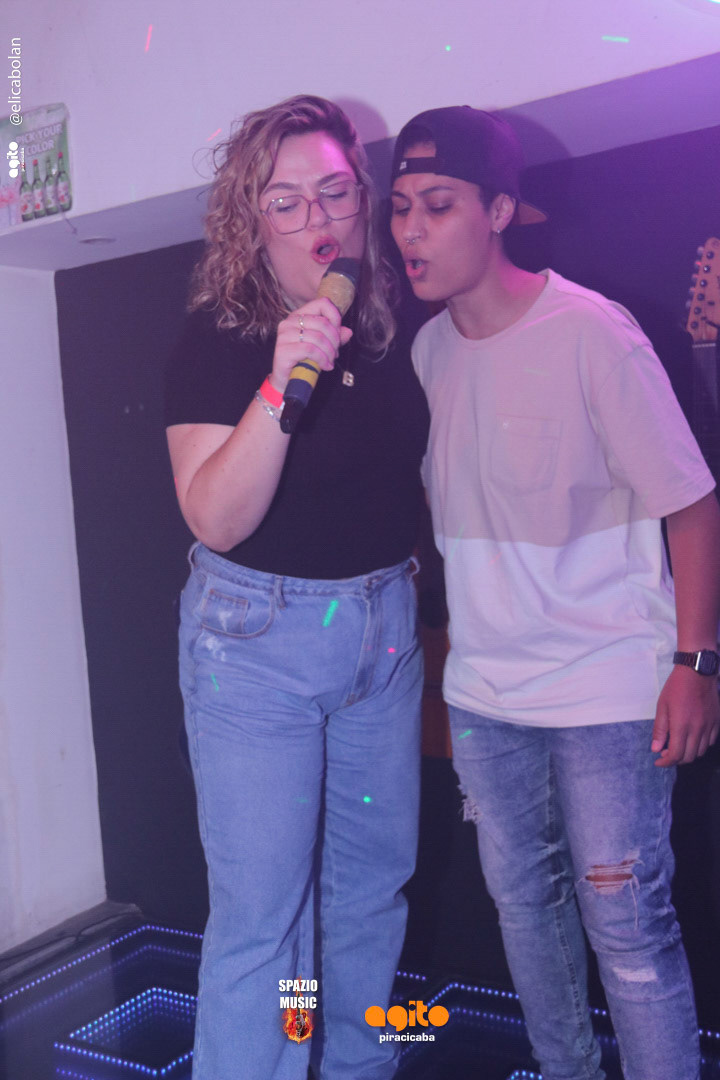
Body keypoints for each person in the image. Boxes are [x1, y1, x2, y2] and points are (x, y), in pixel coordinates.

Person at [389, 105, 720, 1080]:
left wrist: (695, 663)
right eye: (400, 207)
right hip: (487, 698)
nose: (410, 230)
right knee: (526, 918)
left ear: (499, 210)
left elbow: (693, 504)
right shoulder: (427, 352)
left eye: (437, 205)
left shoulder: (590, 333)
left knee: (628, 929)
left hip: (607, 694)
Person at [164, 94, 430, 1080]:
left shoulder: (391, 327)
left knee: (369, 900)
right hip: (257, 649)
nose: (317, 217)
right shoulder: (220, 338)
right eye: (286, 200)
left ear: (363, 197)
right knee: (267, 925)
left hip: (382, 638)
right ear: (254, 218)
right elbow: (215, 516)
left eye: (334, 191)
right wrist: (281, 382)